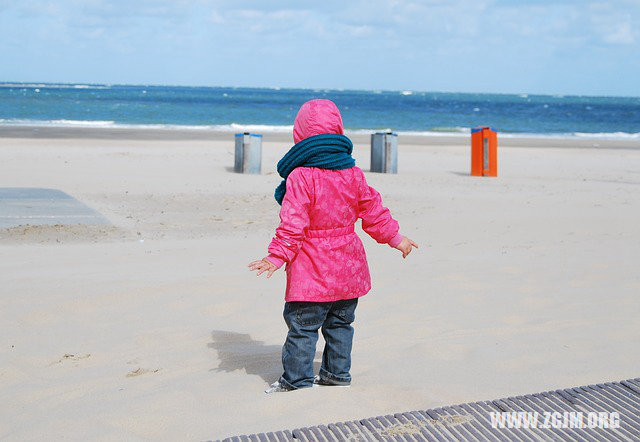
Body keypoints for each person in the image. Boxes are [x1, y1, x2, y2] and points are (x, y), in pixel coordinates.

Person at [248, 99, 418, 394]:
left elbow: (293, 223)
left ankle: (297, 381)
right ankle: (336, 375)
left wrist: (276, 257)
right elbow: (374, 212)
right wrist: (395, 238)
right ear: (338, 131)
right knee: (340, 326)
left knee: (303, 328)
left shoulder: (301, 176)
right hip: (348, 269)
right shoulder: (352, 173)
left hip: (311, 271)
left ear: (299, 136)